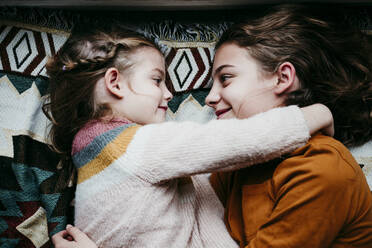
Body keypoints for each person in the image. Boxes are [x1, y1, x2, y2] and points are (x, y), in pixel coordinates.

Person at [46, 25, 333, 247]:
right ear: (114, 83)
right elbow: (230, 141)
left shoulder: (94, 153)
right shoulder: (134, 146)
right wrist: (312, 115)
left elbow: (200, 213)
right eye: (157, 80)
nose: (169, 94)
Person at [207, 5, 372, 247]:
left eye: (226, 78)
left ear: (283, 78)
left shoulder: (322, 168)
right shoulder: (236, 163)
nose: (209, 98)